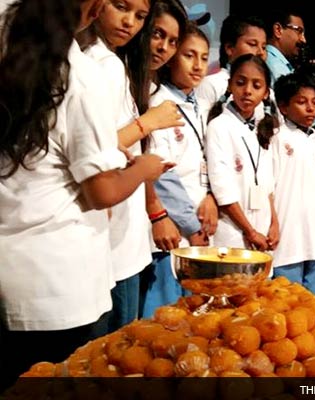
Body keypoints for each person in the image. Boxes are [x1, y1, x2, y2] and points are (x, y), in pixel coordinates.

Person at [0, 0, 168, 388]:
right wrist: (145, 168)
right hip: (57, 286)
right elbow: (101, 191)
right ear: (92, 9)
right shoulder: (80, 74)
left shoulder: (15, 56)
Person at [83, 0, 184, 331]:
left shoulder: (123, 71)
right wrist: (148, 123)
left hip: (126, 234)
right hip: (112, 242)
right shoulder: (102, 66)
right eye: (157, 33)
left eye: (139, 17)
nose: (129, 23)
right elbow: (96, 146)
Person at [142, 22, 217, 317]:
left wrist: (210, 195)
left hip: (196, 225)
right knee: (162, 318)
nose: (198, 66)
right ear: (172, 57)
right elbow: (162, 173)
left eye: (203, 57)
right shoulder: (158, 100)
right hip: (173, 228)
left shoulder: (199, 102)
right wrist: (192, 226)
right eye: (189, 55)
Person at [206, 54, 279, 251]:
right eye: (240, 83)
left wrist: (274, 223)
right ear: (230, 85)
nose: (247, 91)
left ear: (265, 93)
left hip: (262, 230)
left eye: (256, 86)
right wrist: (250, 231)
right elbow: (222, 189)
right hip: (233, 232)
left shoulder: (263, 128)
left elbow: (267, 183)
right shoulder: (218, 126)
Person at [271, 72, 315, 295]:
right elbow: (268, 188)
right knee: (285, 312)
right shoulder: (277, 136)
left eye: (314, 103)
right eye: (302, 102)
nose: (310, 109)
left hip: (314, 239)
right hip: (286, 240)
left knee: (312, 311)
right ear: (284, 107)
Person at [195, 14, 267, 106]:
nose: (261, 52)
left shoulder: (267, 90)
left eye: (264, 47)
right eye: (252, 44)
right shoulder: (211, 85)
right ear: (230, 48)